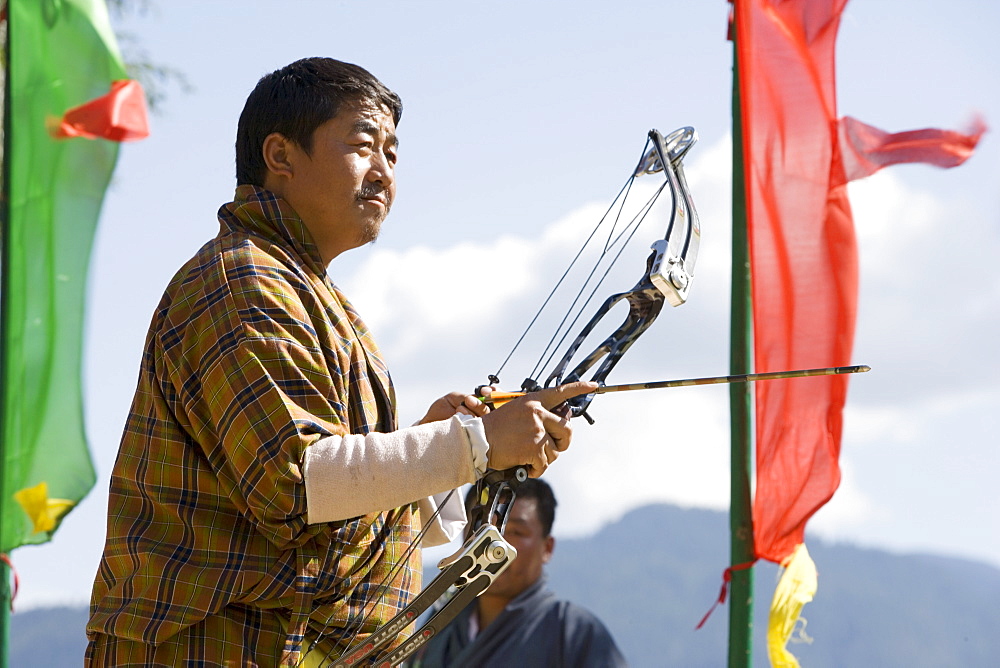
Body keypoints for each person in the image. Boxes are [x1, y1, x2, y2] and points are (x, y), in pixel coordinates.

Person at [85, 57, 595, 667]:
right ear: (280, 156)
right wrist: (474, 444)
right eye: (363, 145)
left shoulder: (308, 292)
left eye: (394, 154)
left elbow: (340, 513)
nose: (383, 172)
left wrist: (442, 452)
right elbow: (300, 481)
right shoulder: (242, 278)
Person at [410, 479, 628, 667]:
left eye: (515, 532)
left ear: (547, 548)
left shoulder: (573, 633)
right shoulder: (437, 627)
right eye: (481, 528)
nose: (493, 546)